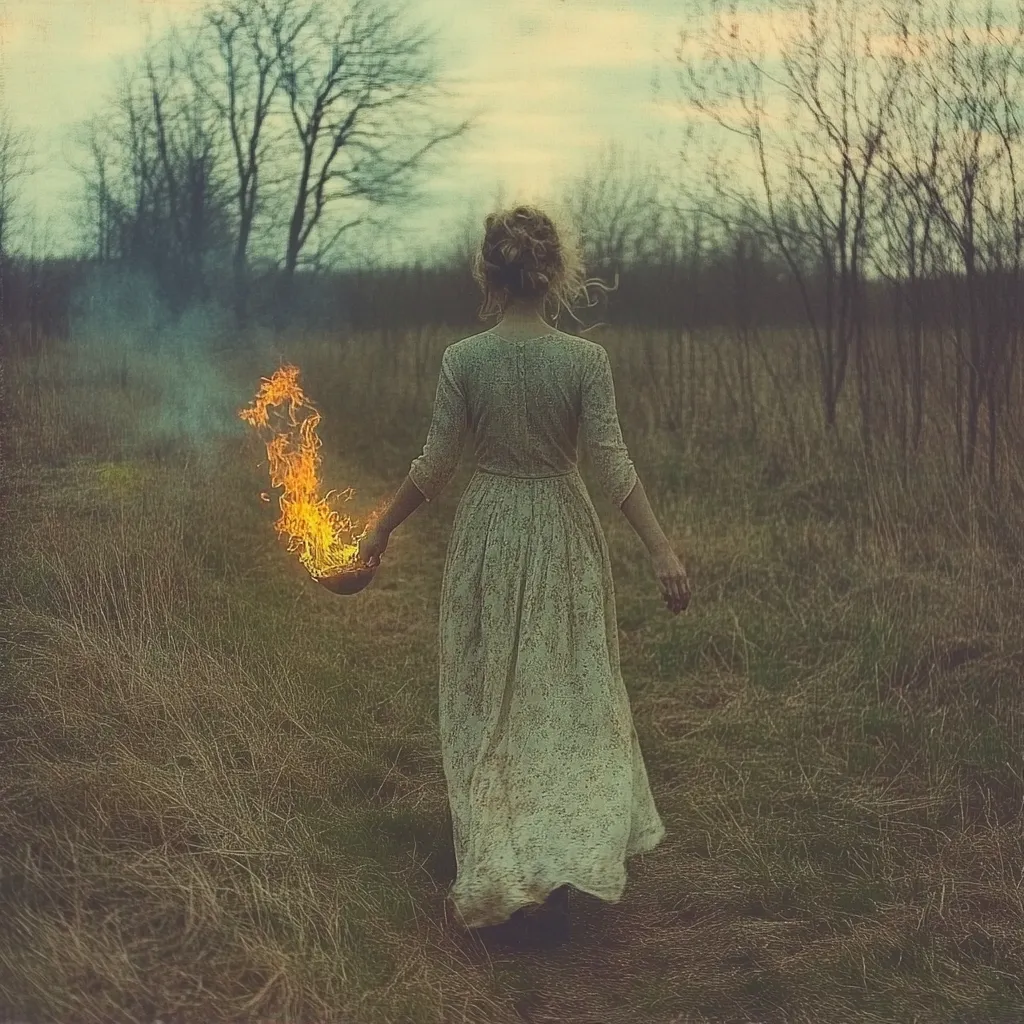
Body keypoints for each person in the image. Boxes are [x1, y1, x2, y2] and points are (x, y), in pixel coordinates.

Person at [357, 204, 691, 948]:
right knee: (564, 696)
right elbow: (612, 465)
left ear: (490, 273)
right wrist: (661, 549)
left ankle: (512, 867)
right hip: (564, 534)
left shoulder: (464, 360)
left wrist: (380, 526)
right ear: (554, 273)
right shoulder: (582, 362)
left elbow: (434, 468)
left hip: (490, 534)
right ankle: (556, 866)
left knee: (492, 701)